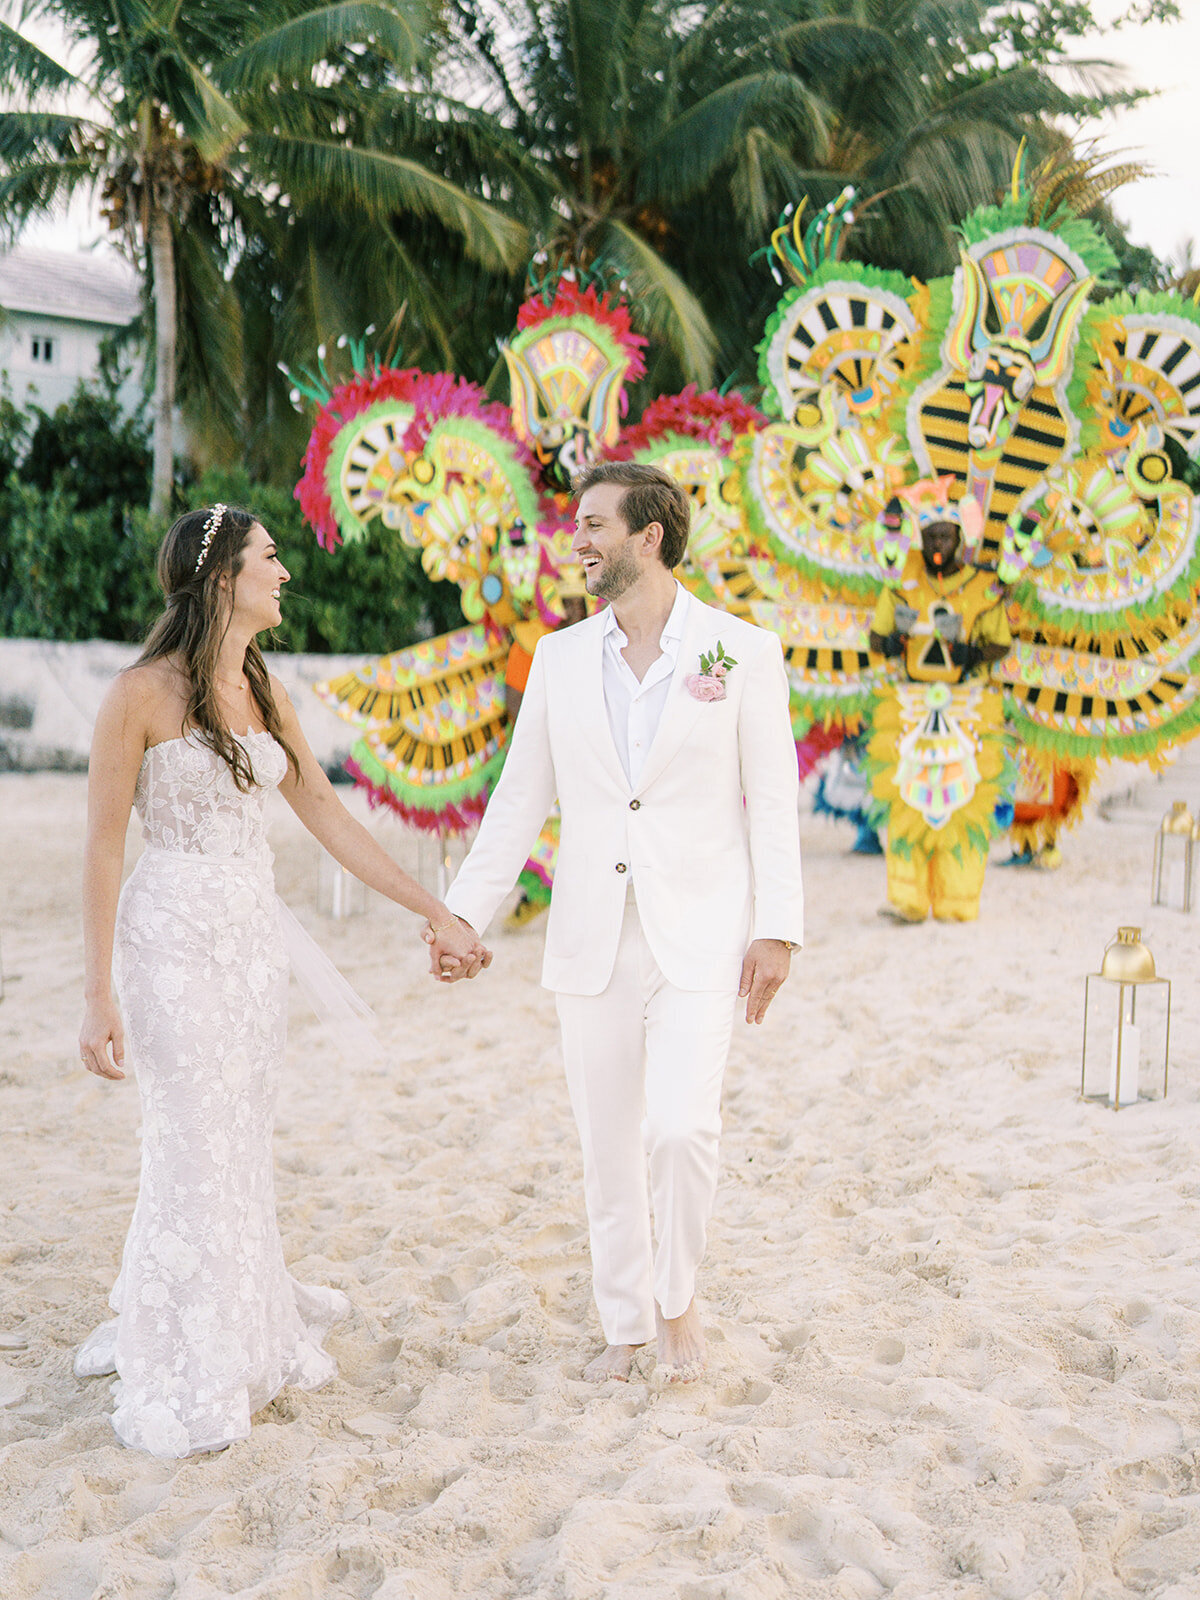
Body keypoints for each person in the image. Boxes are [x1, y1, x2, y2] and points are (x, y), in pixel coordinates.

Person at [77, 503, 490, 1458]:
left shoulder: (266, 692)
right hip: (169, 943)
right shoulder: (137, 695)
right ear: (223, 576)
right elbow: (102, 848)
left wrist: (433, 912)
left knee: (240, 1133)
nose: (286, 572)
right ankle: (192, 1351)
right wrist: (96, 993)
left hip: (251, 948)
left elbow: (333, 823)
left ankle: (245, 1313)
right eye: (271, 557)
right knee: (190, 1134)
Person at [427, 463, 804, 1383]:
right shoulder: (559, 659)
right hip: (592, 934)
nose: (579, 540)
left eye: (595, 524)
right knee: (607, 1146)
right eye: (578, 525)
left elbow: (773, 801)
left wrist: (778, 928)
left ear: (651, 536)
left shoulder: (741, 652)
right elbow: (518, 803)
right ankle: (625, 1326)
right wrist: (462, 917)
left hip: (703, 935)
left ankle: (678, 1305)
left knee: (680, 1130)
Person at [867, 480, 1012, 922]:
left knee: (963, 804)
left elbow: (1001, 644)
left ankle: (957, 902)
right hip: (909, 707)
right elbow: (876, 637)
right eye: (930, 536)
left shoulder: (983, 586)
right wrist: (895, 641)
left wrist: (970, 653)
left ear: (959, 540)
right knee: (908, 802)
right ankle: (908, 899)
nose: (936, 544)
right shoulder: (903, 580)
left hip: (966, 706)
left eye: (945, 536)